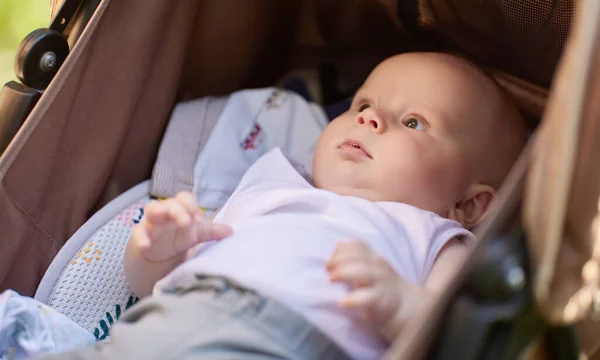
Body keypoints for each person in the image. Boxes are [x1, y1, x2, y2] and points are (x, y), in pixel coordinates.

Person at [43, 52, 527, 360]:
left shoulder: (437, 235)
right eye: (362, 104)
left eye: (414, 123)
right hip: (167, 320)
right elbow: (150, 286)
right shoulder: (271, 182)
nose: (370, 119)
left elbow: (456, 336)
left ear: (467, 204)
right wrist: (155, 250)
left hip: (288, 339)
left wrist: (402, 305)